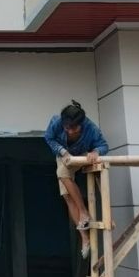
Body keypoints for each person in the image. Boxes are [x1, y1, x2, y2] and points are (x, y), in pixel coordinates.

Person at [44, 101, 109, 259]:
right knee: (66, 195)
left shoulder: (91, 128)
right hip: (64, 155)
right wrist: (62, 151)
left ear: (82, 123)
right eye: (67, 128)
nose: (70, 131)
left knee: (62, 173)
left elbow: (103, 145)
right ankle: (84, 238)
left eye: (74, 128)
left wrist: (95, 151)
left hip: (82, 155)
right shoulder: (56, 122)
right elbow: (49, 138)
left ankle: (84, 211)